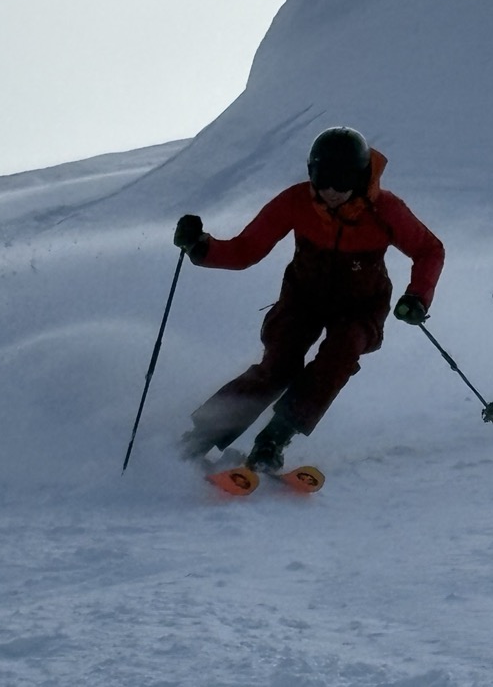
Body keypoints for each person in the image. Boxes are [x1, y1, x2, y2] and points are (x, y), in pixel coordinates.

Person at [173, 126, 445, 472]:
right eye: (322, 179)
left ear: (360, 177)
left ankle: (274, 439)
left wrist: (418, 296)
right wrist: (200, 246)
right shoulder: (296, 202)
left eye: (342, 181)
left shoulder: (386, 210)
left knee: (341, 354)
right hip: (302, 298)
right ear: (310, 173)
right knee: (279, 365)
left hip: (361, 306)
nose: (331, 192)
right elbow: (245, 250)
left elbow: (429, 250)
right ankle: (202, 436)